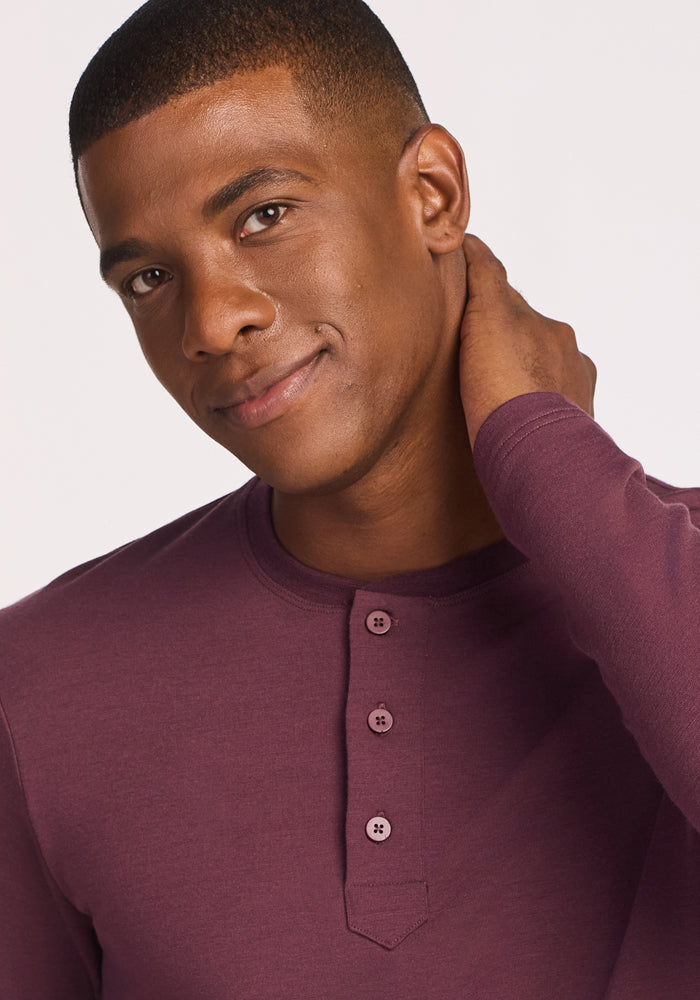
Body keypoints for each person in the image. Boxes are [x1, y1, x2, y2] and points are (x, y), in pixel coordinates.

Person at [1, 0, 699, 996]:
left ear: (432, 193)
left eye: (263, 216)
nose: (212, 322)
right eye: (150, 277)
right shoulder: (39, 685)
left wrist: (548, 456)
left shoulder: (669, 589)